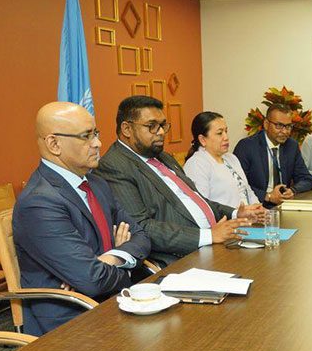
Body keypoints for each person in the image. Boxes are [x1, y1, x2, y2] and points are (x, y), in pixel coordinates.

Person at [13, 102, 151, 336]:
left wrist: (110, 258)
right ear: (54, 144)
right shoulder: (39, 203)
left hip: (113, 301)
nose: (97, 143)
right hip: (73, 323)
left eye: (95, 133)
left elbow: (141, 236)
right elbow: (92, 280)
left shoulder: (95, 183)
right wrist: (125, 264)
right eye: (86, 136)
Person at [93, 96, 264, 267]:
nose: (160, 132)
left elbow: (197, 200)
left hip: (214, 244)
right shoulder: (115, 166)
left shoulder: (163, 157)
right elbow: (141, 227)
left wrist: (236, 214)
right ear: (127, 129)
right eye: (152, 126)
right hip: (180, 258)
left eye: (163, 125)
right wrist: (208, 236)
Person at [234, 103, 312, 207]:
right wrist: (268, 196)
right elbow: (238, 185)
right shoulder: (247, 146)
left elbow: (306, 179)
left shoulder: (292, 146)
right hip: (258, 205)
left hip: (284, 205)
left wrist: (292, 191)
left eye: (288, 126)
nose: (285, 131)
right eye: (279, 126)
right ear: (266, 124)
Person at [183, 111, 258, 208]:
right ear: (202, 139)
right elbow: (203, 206)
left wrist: (258, 208)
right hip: (227, 221)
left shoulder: (231, 158)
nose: (226, 137)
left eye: (226, 131)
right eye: (219, 133)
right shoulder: (196, 164)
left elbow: (247, 190)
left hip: (250, 219)